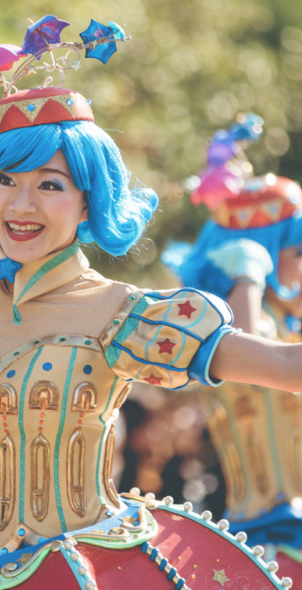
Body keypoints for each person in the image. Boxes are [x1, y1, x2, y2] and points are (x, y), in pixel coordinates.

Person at [0, 16, 299, 589]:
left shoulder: (128, 315)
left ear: (89, 205)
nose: (22, 203)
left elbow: (286, 367)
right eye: (5, 179)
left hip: (85, 573)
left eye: (51, 184)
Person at [163, 114, 302, 587]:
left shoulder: (289, 320)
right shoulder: (243, 327)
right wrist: (247, 274)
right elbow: (254, 360)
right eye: (298, 248)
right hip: (268, 542)